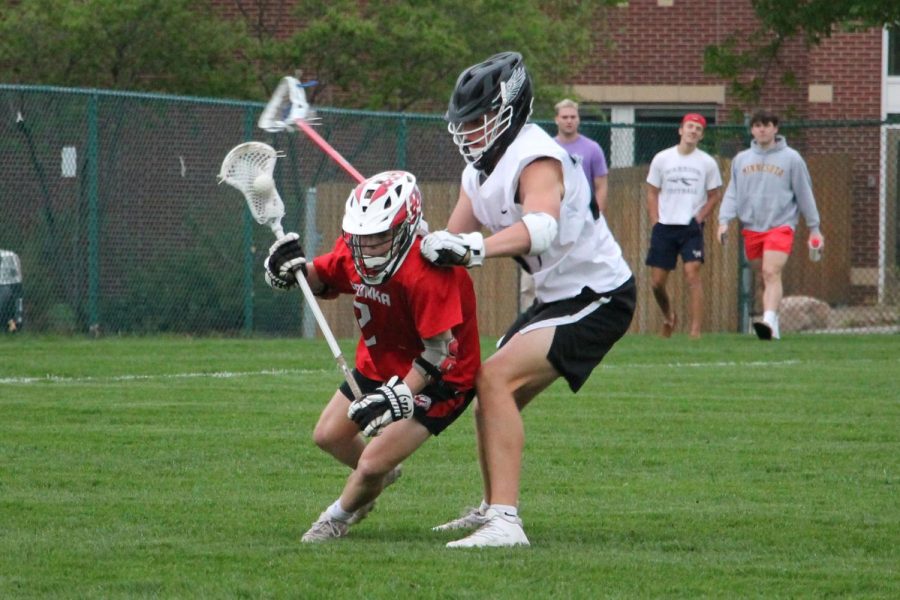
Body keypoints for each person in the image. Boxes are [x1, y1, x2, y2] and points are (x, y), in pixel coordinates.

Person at [420, 51, 635, 547]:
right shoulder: (476, 174)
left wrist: (472, 248)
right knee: (491, 393)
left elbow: (540, 227)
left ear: (508, 111)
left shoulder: (536, 156)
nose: (469, 131)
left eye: (478, 120)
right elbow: (449, 241)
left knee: (494, 378)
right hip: (559, 296)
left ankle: (506, 521)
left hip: (599, 294)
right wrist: (420, 241)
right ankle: (491, 507)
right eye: (465, 122)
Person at [263, 170, 480, 542]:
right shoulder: (355, 250)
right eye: (363, 237)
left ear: (406, 228)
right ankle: (380, 474)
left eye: (380, 236)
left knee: (369, 464)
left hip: (442, 377)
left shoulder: (428, 272)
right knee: (329, 435)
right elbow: (322, 276)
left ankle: (337, 517)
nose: (370, 247)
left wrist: (398, 396)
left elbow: (439, 353)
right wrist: (286, 269)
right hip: (380, 364)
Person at [717, 110, 824, 340]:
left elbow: (804, 194)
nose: (762, 129)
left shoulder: (792, 158)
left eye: (766, 125)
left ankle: (768, 321)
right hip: (753, 227)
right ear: (752, 130)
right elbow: (732, 193)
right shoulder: (742, 159)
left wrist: (814, 228)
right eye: (757, 125)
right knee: (764, 276)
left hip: (781, 225)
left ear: (776, 128)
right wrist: (724, 221)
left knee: (771, 271)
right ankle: (773, 321)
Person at [520, 98, 611, 310]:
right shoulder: (546, 148)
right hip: (548, 220)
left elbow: (601, 185)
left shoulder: (592, 149)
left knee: (579, 279)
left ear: (578, 119)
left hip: (579, 225)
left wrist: (596, 217)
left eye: (573, 117)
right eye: (565, 117)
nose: (569, 121)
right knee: (531, 283)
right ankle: (529, 322)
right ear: (556, 119)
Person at [644, 113, 723, 338]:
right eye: (690, 127)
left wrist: (700, 217)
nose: (693, 131)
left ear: (701, 135)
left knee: (692, 273)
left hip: (690, 227)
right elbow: (652, 192)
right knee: (657, 283)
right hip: (665, 226)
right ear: (681, 130)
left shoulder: (707, 162)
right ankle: (669, 316)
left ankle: (695, 332)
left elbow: (714, 195)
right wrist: (655, 221)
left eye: (698, 129)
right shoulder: (662, 159)